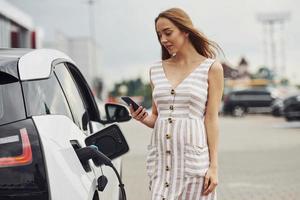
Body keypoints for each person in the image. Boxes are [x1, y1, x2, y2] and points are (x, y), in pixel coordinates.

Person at [129, 7, 224, 200]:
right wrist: (142, 117)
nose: (163, 39)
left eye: (168, 32)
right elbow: (157, 118)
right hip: (162, 166)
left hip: (194, 166)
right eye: (159, 35)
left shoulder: (212, 68)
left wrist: (214, 166)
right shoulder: (156, 69)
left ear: (185, 30)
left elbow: (211, 119)